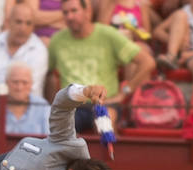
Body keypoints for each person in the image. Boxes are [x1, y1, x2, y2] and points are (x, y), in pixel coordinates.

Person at [47, 0, 155, 129]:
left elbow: (148, 62)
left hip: (104, 103)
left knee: (105, 127)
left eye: (74, 11)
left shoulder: (107, 34)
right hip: (72, 106)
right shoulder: (57, 40)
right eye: (65, 13)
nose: (69, 16)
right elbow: (49, 74)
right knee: (58, 128)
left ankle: (112, 149)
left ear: (87, 11)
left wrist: (124, 92)